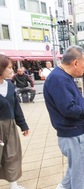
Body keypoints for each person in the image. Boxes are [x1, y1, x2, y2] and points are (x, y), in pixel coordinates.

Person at [43, 46, 84, 189]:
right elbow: (69, 109)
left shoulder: (63, 76)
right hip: (74, 135)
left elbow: (75, 101)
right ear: (75, 62)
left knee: (75, 170)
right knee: (82, 175)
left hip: (73, 134)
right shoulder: (59, 79)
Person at [0, 54, 29, 189]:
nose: (12, 70)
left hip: (10, 125)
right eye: (10, 67)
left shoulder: (10, 86)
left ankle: (13, 185)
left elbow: (16, 107)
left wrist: (23, 125)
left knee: (12, 155)